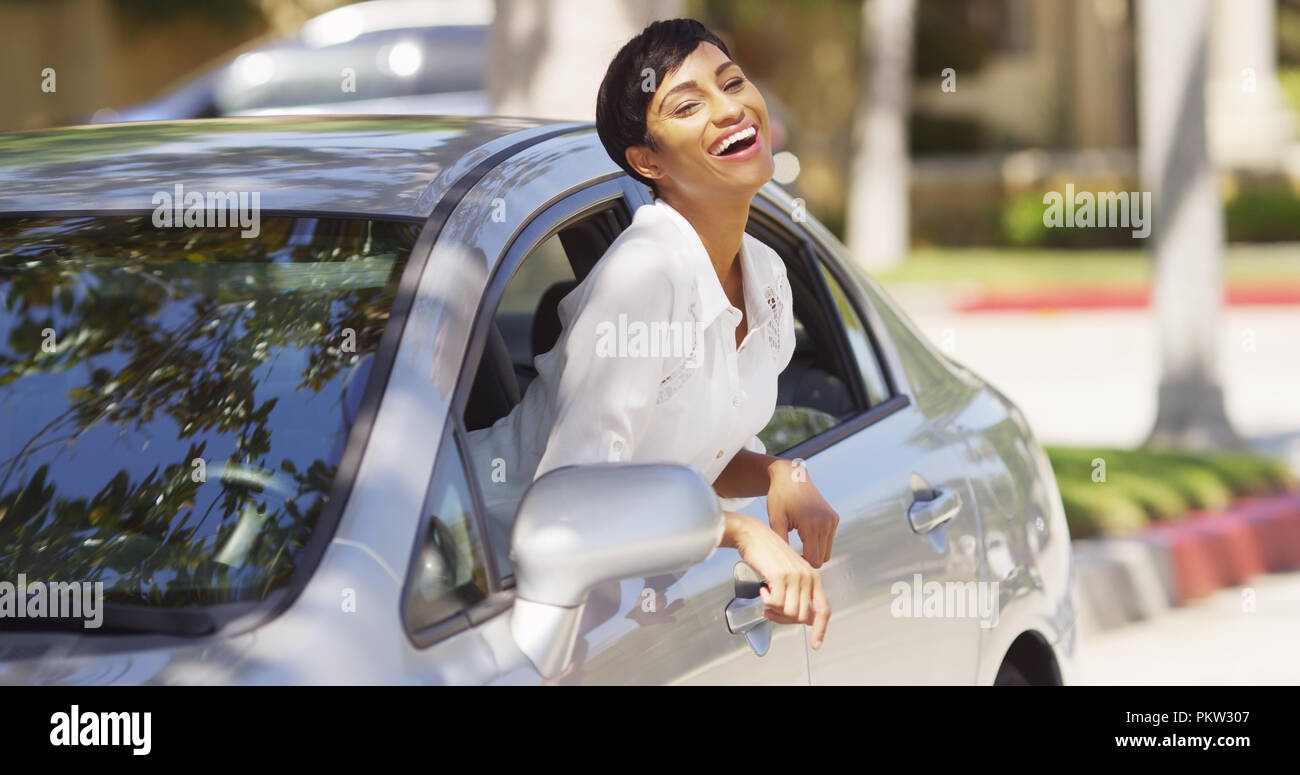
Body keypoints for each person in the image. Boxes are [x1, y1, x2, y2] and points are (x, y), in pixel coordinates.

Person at [467, 18, 837, 650]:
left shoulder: (766, 273)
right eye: (688, 105)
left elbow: (686, 455)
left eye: (732, 82)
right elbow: (572, 497)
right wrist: (745, 534)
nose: (729, 109)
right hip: (479, 572)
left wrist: (780, 472)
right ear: (646, 160)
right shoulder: (644, 277)